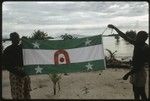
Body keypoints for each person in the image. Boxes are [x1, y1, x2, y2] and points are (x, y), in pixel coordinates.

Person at [107, 24, 149, 100]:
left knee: (141, 92)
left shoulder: (144, 48)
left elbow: (139, 66)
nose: (136, 37)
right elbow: (124, 36)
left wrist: (128, 74)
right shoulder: (138, 44)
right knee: (136, 91)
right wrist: (114, 27)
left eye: (138, 36)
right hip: (135, 71)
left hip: (139, 72)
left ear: (142, 38)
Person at [2, 32, 31, 99]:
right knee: (17, 94)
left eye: (18, 37)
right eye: (17, 38)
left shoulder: (21, 48)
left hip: (24, 73)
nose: (18, 39)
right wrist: (17, 72)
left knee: (27, 92)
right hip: (15, 74)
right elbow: (6, 65)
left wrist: (27, 42)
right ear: (12, 39)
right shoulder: (8, 50)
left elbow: (30, 54)